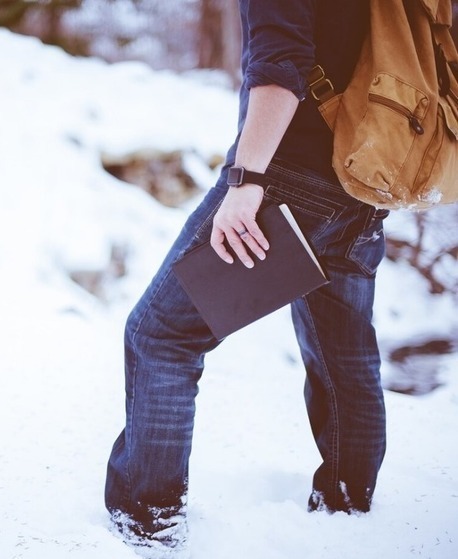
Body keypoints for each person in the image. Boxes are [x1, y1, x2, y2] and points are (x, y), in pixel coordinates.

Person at [105, 0, 389, 555]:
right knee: (344, 355)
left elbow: (280, 67)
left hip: (287, 183)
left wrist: (247, 177)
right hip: (362, 185)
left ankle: (148, 524)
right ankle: (349, 510)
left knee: (162, 337)